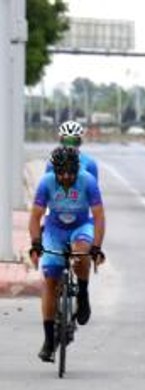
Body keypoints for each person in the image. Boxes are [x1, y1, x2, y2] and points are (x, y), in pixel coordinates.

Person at [27, 146, 106, 362]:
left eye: (71, 172)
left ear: (77, 170)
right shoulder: (46, 182)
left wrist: (97, 247)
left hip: (81, 226)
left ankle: (82, 292)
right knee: (50, 282)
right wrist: (36, 244)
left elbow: (99, 216)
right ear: (55, 170)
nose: (67, 177)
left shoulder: (87, 180)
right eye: (62, 173)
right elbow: (35, 216)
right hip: (54, 230)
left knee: (81, 254)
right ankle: (48, 340)